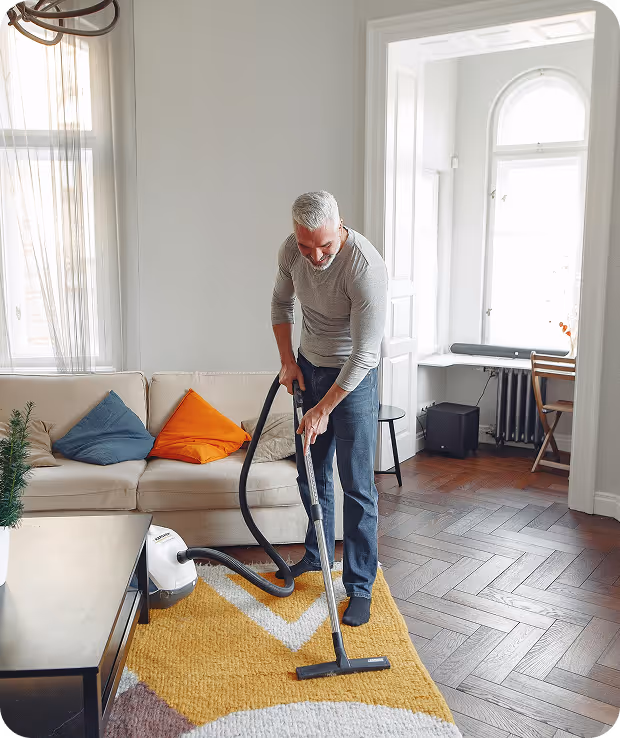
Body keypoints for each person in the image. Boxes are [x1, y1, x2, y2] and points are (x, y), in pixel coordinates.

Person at [272, 191, 388, 626]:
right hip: (309, 366)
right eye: (306, 247)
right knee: (310, 471)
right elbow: (280, 305)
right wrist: (288, 361)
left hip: (353, 381)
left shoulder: (364, 267)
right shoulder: (292, 250)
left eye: (324, 245)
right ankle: (317, 555)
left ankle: (359, 586)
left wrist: (322, 409)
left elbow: (364, 356)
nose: (315, 256)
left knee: (357, 486)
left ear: (340, 227)